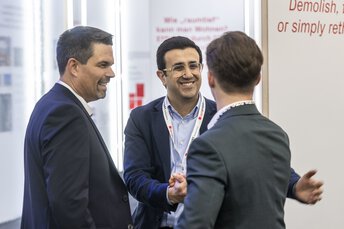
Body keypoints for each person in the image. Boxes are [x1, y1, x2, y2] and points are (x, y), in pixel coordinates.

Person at [123, 36, 323, 229]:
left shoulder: (224, 116)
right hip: (157, 221)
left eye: (193, 66)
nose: (188, 74)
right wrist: (168, 194)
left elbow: (258, 157)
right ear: (162, 76)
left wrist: (294, 185)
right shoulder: (142, 118)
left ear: (205, 73)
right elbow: (134, 176)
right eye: (178, 67)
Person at [21, 26, 133, 229]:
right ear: (74, 67)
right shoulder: (66, 114)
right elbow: (69, 205)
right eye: (103, 65)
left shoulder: (51, 104)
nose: (111, 73)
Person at [176, 31, 289, 228]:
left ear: (210, 78)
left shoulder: (208, 146)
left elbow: (195, 224)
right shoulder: (278, 135)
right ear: (258, 78)